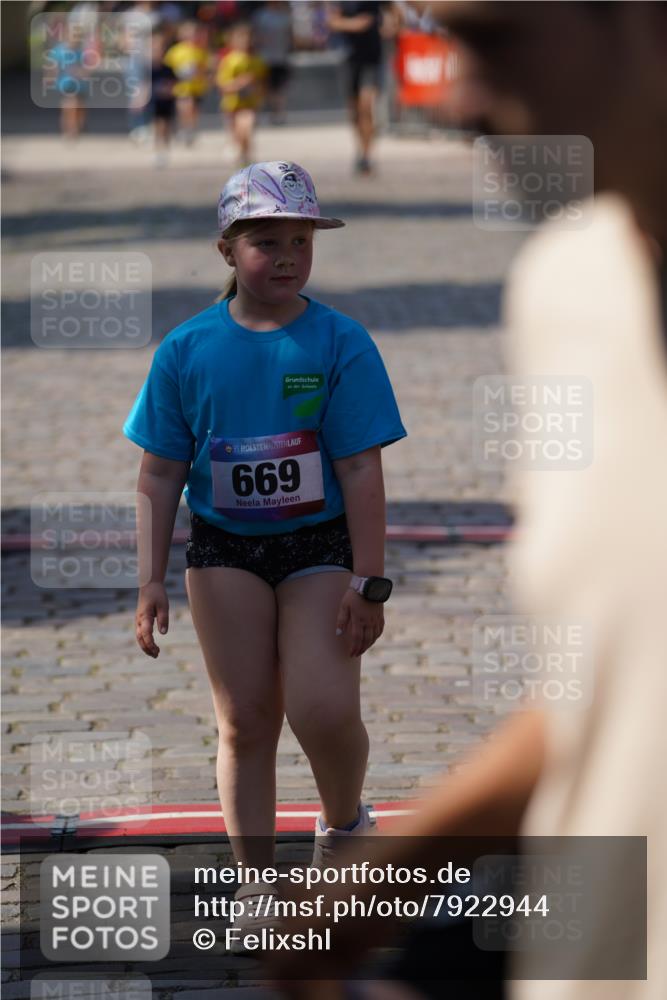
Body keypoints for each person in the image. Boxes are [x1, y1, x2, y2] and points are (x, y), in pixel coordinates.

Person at [267, 3, 667, 999]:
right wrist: (382, 892)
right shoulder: (569, 288)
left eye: (494, 39)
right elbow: (622, 684)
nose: (446, 98)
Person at [122, 160, 407, 947]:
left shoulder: (341, 341)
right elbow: (160, 470)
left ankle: (345, 825)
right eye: (265, 242)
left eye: (299, 242)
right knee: (246, 719)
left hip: (320, 546)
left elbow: (359, 467)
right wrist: (150, 578)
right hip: (224, 550)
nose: (285, 257)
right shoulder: (186, 350)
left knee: (322, 708)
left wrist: (369, 578)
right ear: (226, 249)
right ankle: (255, 881)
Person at [326, 2, 394, 175]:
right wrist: (356, 24)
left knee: (366, 107)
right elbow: (332, 21)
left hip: (372, 59)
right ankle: (360, 150)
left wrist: (389, 26)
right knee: (355, 112)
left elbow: (394, 14)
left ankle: (367, 155)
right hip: (350, 59)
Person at [216, 21, 267, 167]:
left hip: (250, 103)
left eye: (247, 38)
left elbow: (262, 83)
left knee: (247, 126)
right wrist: (240, 83)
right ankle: (243, 155)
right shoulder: (229, 61)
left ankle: (247, 157)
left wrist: (257, 90)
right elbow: (223, 85)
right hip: (232, 104)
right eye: (240, 38)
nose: (245, 41)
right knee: (238, 134)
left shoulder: (256, 60)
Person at [163, 20, 210, 145]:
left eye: (194, 33)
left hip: (197, 86)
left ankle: (191, 129)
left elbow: (205, 68)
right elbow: (167, 67)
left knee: (194, 110)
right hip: (180, 86)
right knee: (184, 106)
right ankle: (184, 128)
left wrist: (202, 74)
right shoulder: (175, 51)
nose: (192, 36)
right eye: (188, 33)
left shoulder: (201, 51)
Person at [252, 0, 293, 125]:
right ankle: (263, 113)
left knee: (279, 88)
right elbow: (255, 36)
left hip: (281, 57)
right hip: (263, 58)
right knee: (264, 88)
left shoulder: (285, 16)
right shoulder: (260, 16)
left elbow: (290, 36)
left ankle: (279, 113)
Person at [148, 30, 177, 168]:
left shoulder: (168, 68)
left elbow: (174, 83)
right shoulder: (148, 69)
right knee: (157, 125)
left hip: (167, 101)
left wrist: (168, 90)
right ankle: (157, 150)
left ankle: (165, 149)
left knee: (166, 125)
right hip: (154, 101)